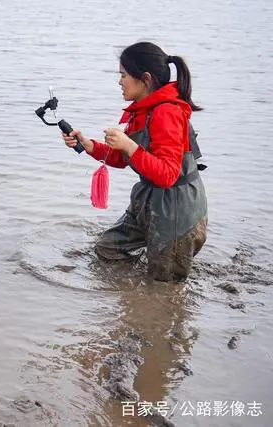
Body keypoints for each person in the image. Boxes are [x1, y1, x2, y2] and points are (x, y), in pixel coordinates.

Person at [62, 42, 207, 282]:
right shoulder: (144, 110)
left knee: (165, 283)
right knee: (108, 249)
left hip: (177, 209)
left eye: (123, 75)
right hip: (150, 200)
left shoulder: (166, 112)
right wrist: (89, 145)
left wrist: (129, 144)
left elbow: (168, 175)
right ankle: (132, 295)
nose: (119, 82)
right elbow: (126, 158)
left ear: (146, 79)